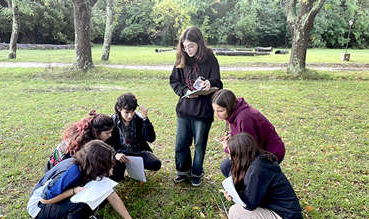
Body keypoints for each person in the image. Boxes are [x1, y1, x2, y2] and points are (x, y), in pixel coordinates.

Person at [27, 140, 145, 219]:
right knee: (80, 202)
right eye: (109, 165)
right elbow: (44, 200)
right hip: (39, 207)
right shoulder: (71, 171)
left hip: (52, 201)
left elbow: (112, 196)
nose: (112, 168)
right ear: (98, 164)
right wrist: (73, 191)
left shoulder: (88, 167)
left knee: (100, 196)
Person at [223, 133, 303, 219]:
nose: (230, 158)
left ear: (241, 155)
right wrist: (233, 191)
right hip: (286, 214)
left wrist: (236, 194)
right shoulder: (259, 159)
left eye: (231, 155)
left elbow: (249, 204)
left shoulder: (256, 172)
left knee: (235, 212)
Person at [170, 26, 223, 186]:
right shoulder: (182, 58)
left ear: (199, 42)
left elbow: (218, 82)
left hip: (203, 111)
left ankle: (197, 172)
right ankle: (182, 171)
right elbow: (174, 81)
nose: (188, 50)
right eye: (185, 47)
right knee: (181, 143)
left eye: (191, 46)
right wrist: (185, 90)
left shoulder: (211, 59)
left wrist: (210, 83)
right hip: (184, 110)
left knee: (199, 144)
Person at [211, 89, 285, 177]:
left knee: (233, 172)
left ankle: (247, 189)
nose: (217, 115)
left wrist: (229, 148)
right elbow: (243, 133)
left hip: (269, 153)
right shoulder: (235, 110)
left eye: (220, 111)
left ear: (229, 106)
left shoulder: (245, 118)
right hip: (254, 151)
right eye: (215, 110)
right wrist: (232, 134)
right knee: (225, 166)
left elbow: (249, 151)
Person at [105, 93, 161, 181]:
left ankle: (136, 168)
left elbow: (151, 138)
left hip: (138, 151)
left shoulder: (139, 119)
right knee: (115, 178)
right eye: (126, 112)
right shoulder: (112, 121)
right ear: (119, 109)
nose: (130, 116)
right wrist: (115, 154)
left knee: (155, 164)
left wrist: (145, 119)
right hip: (120, 153)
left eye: (132, 112)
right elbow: (106, 143)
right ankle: (123, 168)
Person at [45, 109, 114, 173]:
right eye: (107, 133)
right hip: (59, 173)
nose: (110, 135)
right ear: (97, 132)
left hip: (52, 167)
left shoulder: (82, 134)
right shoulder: (84, 145)